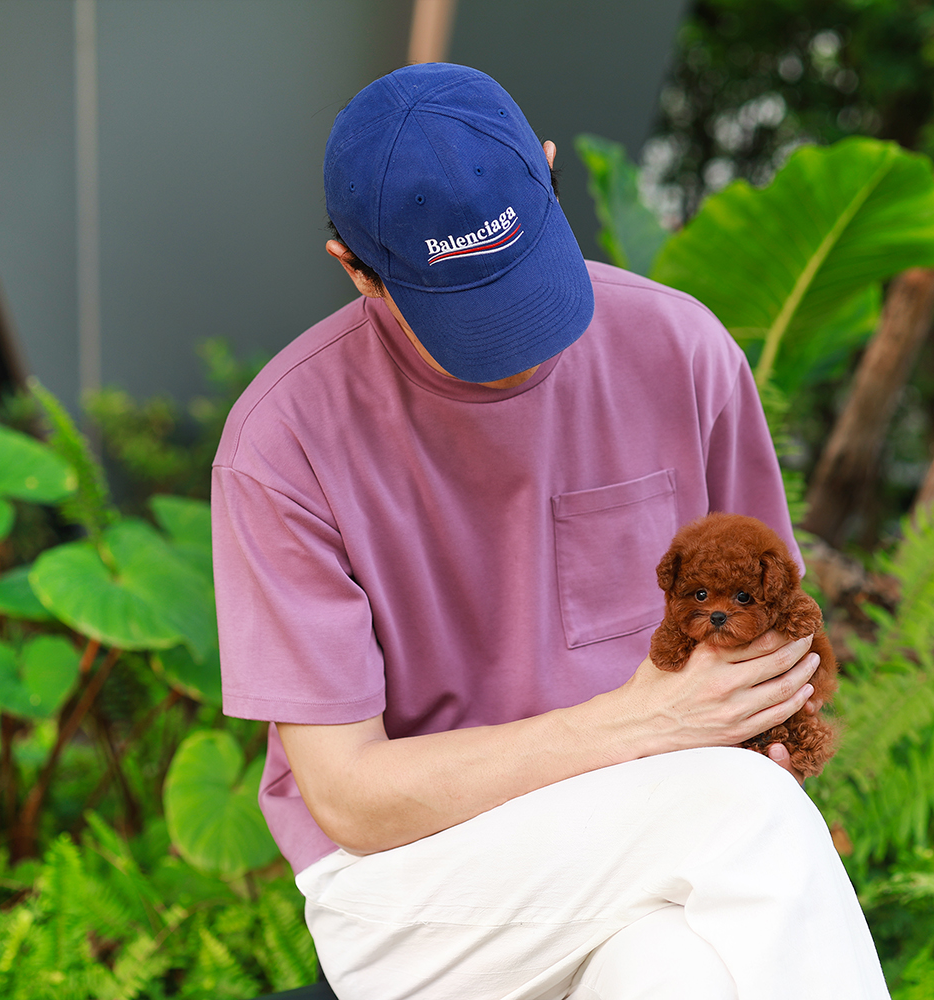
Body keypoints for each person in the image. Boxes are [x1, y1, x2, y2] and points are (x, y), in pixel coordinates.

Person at [212, 62, 889, 1000]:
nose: (518, 349)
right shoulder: (282, 443)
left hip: (663, 831)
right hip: (408, 886)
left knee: (677, 969)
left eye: (524, 283)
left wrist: (762, 727)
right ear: (355, 270)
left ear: (549, 166)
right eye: (468, 317)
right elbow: (351, 798)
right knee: (749, 810)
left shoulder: (683, 350)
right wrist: (637, 724)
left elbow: (766, 638)